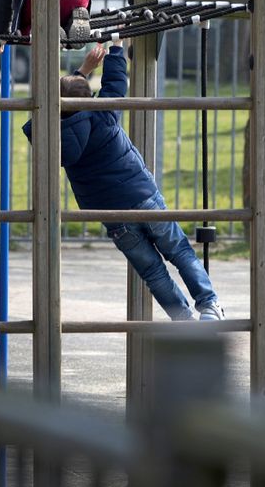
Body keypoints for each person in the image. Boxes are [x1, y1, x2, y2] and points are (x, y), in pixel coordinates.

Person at [22, 41, 226, 321]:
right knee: (179, 251)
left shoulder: (53, 137)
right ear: (90, 97)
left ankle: (182, 318)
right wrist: (116, 49)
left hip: (113, 216)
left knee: (153, 272)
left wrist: (80, 72)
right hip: (143, 196)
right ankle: (209, 304)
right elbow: (116, 83)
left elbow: (43, 114)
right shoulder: (103, 115)